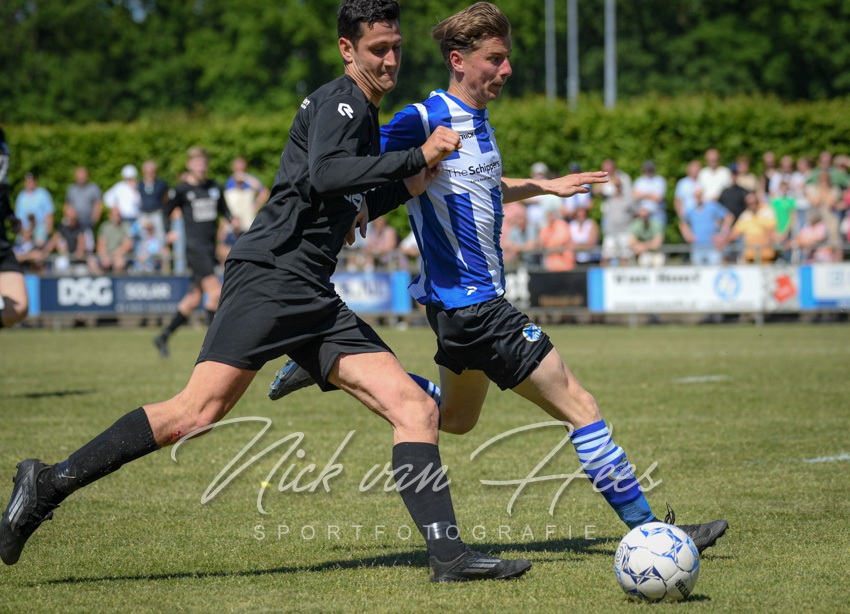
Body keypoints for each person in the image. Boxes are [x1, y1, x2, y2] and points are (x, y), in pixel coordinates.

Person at [0, 1, 532, 584]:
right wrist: (417, 155)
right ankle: (47, 484)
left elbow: (342, 194)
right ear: (347, 49)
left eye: (396, 47)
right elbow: (325, 173)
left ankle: (449, 558)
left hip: (310, 292)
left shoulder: (360, 112)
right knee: (195, 413)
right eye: (377, 49)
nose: (390, 60)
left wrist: (407, 184)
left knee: (414, 408)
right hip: (272, 279)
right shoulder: (343, 101)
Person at [269, 2, 727, 555]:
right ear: (458, 61)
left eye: (507, 58)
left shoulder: (477, 121)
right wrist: (355, 209)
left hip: (457, 310)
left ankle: (332, 366)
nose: (506, 69)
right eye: (495, 59)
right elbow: (351, 163)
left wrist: (543, 187)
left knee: (455, 418)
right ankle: (653, 532)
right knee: (580, 406)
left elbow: (475, 185)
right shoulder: (422, 119)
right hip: (476, 306)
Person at [153, 147, 231, 358]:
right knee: (216, 293)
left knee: (194, 299)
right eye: (196, 162)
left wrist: (232, 220)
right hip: (195, 250)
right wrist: (168, 232)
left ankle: (163, 336)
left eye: (203, 162)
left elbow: (224, 210)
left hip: (210, 248)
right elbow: (165, 211)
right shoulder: (181, 190)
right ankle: (216, 346)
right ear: (189, 165)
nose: (200, 166)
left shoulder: (214, 187)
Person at [0, 127, 29, 330]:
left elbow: (2, 186)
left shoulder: (1, 136)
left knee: (18, 308)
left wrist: (8, 213)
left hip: (1, 241)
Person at [679, 187, 733, 266]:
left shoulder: (712, 206)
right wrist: (687, 235)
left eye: (699, 195)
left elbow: (729, 217)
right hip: (697, 247)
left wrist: (722, 235)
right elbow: (682, 223)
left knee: (714, 270)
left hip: (712, 247)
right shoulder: (690, 210)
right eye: (696, 195)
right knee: (699, 272)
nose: (698, 197)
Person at [223, 156, 269, 231]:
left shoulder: (250, 181)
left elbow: (264, 192)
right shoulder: (229, 183)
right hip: (232, 227)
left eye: (241, 169)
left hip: (247, 225)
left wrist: (255, 206)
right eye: (237, 169)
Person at [64, 166, 103, 251]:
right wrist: (68, 218)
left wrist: (94, 220)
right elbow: (67, 205)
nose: (81, 178)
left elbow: (98, 205)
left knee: (88, 246)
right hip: (74, 223)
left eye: (83, 176)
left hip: (87, 222)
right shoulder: (71, 189)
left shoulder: (93, 188)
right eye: (79, 176)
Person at [15, 171, 54, 248]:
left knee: (40, 242)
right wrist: (23, 231)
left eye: (32, 181)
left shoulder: (43, 194)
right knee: (21, 243)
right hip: (25, 228)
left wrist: (49, 230)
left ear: (35, 181)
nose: (30, 183)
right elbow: (18, 218)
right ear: (24, 183)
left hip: (40, 226)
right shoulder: (21, 196)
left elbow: (49, 214)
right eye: (28, 181)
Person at [91, 205, 134, 273]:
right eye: (114, 214)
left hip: (119, 256)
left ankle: (116, 280)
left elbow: (127, 246)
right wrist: (104, 257)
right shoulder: (104, 227)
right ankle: (101, 279)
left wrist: (111, 257)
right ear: (110, 215)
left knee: (119, 263)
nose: (116, 217)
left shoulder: (126, 227)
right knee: (92, 262)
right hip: (106, 256)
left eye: (118, 215)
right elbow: (100, 245)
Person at [138, 159, 169, 250]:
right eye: (147, 172)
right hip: (144, 214)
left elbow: (166, 198)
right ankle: (145, 257)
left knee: (160, 237)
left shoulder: (161, 184)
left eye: (152, 172)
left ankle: (161, 256)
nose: (150, 174)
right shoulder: (139, 184)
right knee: (144, 237)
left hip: (157, 213)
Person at [632, 160, 667, 228]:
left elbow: (658, 198)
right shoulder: (639, 181)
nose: (648, 171)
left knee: (658, 233)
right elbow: (635, 196)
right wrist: (650, 195)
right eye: (647, 169)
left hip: (657, 214)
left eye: (650, 169)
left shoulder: (660, 180)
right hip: (642, 215)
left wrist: (643, 195)